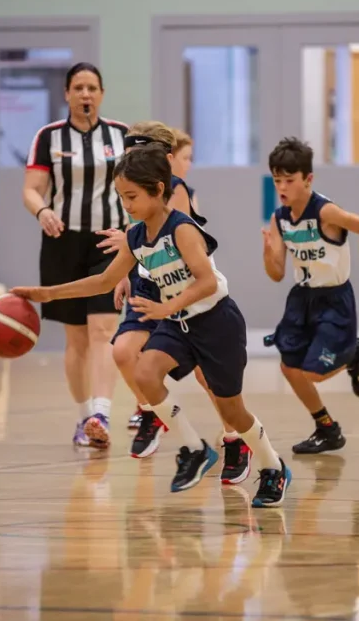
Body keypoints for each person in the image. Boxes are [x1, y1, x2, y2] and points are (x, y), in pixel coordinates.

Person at [13, 144, 292, 507]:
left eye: (132, 196)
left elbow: (207, 282)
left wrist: (167, 307)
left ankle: (273, 467)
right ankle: (195, 449)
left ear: (159, 190)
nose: (126, 205)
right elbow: (102, 281)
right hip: (178, 322)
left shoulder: (182, 229)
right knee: (145, 374)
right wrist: (47, 293)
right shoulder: (136, 235)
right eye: (121, 197)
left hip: (216, 321)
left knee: (232, 412)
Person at [103, 122, 251, 484]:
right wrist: (122, 271)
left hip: (176, 289)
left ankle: (234, 438)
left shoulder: (174, 192)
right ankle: (154, 409)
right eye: (129, 154)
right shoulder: (132, 191)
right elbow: (137, 244)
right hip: (146, 285)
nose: (132, 160)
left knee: (207, 375)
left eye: (139, 154)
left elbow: (169, 241)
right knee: (124, 351)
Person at [22, 62, 129, 448]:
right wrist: (42, 210)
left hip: (107, 242)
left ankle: (102, 414)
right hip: (62, 241)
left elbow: (139, 187)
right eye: (78, 87)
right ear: (66, 93)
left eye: (93, 87)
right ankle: (84, 417)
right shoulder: (48, 137)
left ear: (101, 94)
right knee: (77, 340)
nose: (86, 94)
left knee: (104, 330)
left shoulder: (121, 135)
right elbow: (32, 188)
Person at [260, 137, 359, 454]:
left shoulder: (327, 212)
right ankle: (327, 428)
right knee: (289, 368)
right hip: (301, 300)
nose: (282, 187)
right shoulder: (279, 219)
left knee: (314, 371)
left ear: (308, 179)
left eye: (289, 180)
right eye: (277, 180)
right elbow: (276, 274)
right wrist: (267, 252)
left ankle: (355, 353)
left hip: (334, 300)